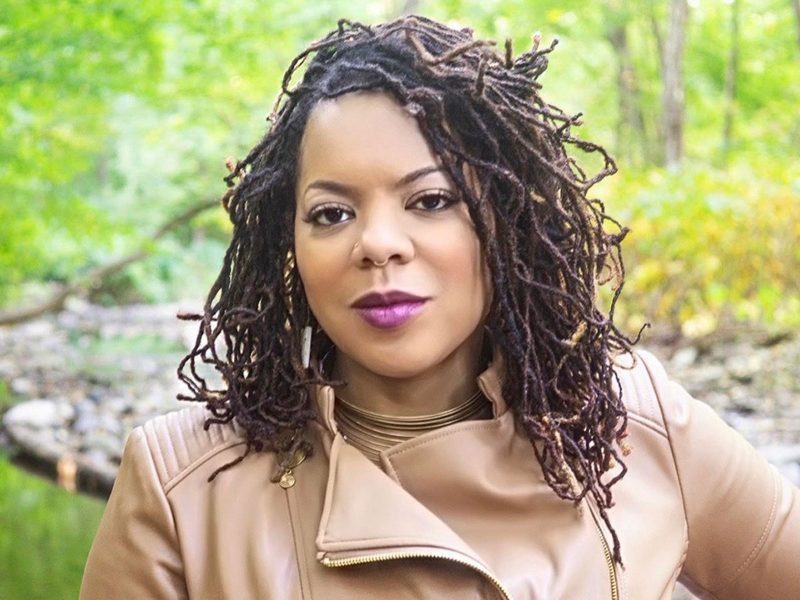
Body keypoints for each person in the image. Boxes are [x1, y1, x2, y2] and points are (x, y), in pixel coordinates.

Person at [80, 15, 799, 600]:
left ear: (505, 221)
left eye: (431, 200)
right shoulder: (183, 490)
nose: (378, 245)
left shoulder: (635, 422)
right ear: (286, 247)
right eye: (331, 214)